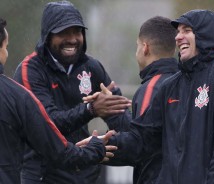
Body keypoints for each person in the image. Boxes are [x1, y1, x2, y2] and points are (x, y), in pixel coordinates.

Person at [80, 9, 214, 183]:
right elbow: (142, 139)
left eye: (187, 31)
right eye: (178, 32)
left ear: (206, 35)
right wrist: (101, 147)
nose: (178, 37)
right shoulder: (170, 86)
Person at [13, 1, 131, 184]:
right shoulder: (30, 70)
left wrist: (113, 136)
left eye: (77, 31)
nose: (72, 39)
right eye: (63, 33)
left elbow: (119, 115)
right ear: (47, 36)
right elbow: (47, 124)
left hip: (85, 174)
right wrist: (90, 110)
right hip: (43, 176)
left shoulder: (91, 67)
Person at [86, 16, 179, 184]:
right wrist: (114, 110)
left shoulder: (153, 87)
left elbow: (138, 146)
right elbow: (147, 136)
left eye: (137, 45)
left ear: (145, 48)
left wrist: (96, 147)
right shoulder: (183, 83)